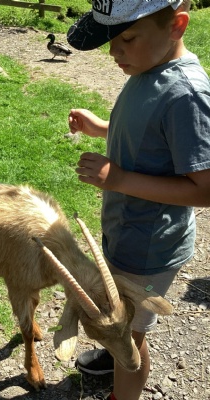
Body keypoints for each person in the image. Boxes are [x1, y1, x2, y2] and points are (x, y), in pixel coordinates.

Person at [66, 1, 210, 400]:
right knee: (119, 318)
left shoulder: (187, 95)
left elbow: (206, 189)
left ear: (176, 26)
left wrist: (120, 179)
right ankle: (113, 353)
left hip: (149, 247)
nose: (115, 50)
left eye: (128, 37)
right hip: (126, 230)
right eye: (112, 38)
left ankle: (123, 392)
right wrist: (102, 128)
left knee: (130, 335)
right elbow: (150, 129)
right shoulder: (148, 66)